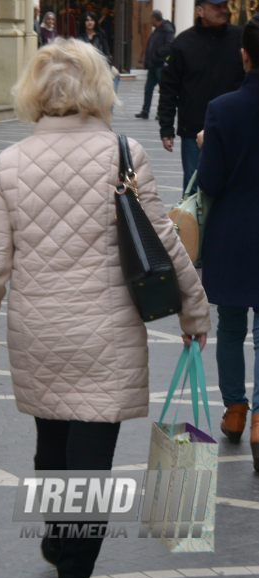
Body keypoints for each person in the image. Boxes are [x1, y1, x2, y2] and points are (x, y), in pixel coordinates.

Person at [0, 37, 210, 578]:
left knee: (51, 446)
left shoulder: (9, 164)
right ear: (98, 88)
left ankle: (55, 539)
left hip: (38, 331)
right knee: (91, 462)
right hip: (107, 332)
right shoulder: (125, 154)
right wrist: (195, 313)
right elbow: (165, 244)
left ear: (34, 92)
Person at [196, 15, 259, 470]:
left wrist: (205, 143)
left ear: (244, 54)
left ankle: (235, 411)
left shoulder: (222, 108)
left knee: (231, 327)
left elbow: (211, 182)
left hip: (233, 236)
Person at [158, 0, 245, 194]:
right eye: (217, 7)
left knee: (233, 186)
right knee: (194, 188)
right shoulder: (183, 43)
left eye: (225, 5)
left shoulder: (240, 38)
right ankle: (193, 226)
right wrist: (166, 126)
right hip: (193, 130)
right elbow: (169, 87)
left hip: (234, 128)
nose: (224, 10)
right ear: (200, 10)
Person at [135, 10, 175, 120]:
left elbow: (170, 45)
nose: (150, 21)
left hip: (160, 65)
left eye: (150, 18)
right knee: (148, 89)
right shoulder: (158, 30)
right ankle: (145, 111)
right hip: (153, 64)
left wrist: (158, 53)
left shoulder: (166, 30)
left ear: (154, 19)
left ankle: (161, 113)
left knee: (163, 89)